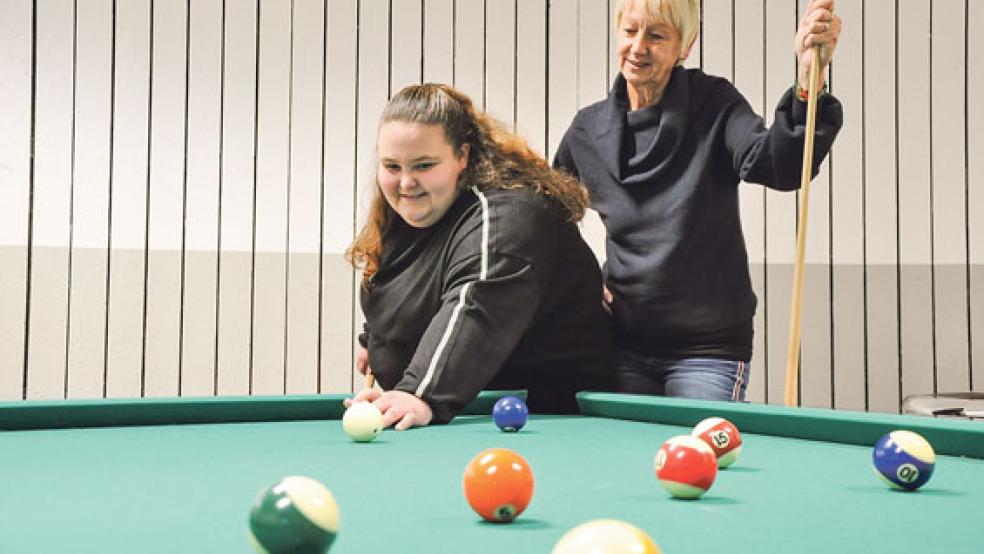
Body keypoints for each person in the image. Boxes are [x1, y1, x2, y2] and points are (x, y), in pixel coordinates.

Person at [552, 0, 843, 401]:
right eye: (630, 31)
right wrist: (583, 280)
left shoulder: (715, 104)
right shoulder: (587, 130)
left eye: (656, 36)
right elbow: (548, 220)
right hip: (622, 344)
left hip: (708, 350)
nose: (638, 47)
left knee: (699, 458)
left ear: (684, 46)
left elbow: (779, 166)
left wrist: (809, 80)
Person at [344, 83, 613, 429]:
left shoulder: (508, 216)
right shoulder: (410, 214)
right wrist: (377, 340)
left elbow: (476, 301)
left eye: (424, 165)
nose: (406, 182)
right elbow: (401, 275)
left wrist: (420, 392)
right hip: (468, 416)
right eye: (392, 166)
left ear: (463, 156)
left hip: (551, 423)